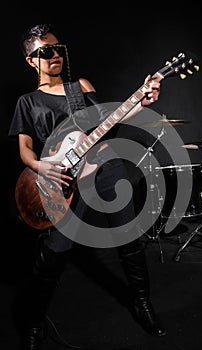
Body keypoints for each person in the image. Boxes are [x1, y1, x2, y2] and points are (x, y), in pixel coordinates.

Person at [8, 23, 166, 350]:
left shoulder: (79, 86)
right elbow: (24, 149)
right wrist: (40, 165)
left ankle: (142, 303)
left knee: (130, 238)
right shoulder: (27, 102)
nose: (54, 56)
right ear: (30, 60)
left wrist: (142, 100)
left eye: (57, 49)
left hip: (102, 166)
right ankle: (34, 322)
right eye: (45, 52)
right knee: (55, 253)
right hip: (60, 180)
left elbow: (111, 118)